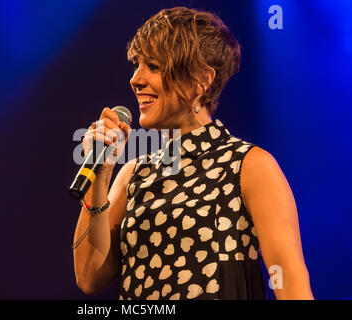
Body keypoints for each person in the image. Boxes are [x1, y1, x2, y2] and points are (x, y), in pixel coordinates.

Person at [72, 7, 314, 300]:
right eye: (137, 65)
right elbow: (88, 277)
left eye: (154, 66)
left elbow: (289, 281)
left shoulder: (248, 167)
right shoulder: (134, 174)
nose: (135, 79)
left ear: (201, 80)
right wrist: (100, 179)